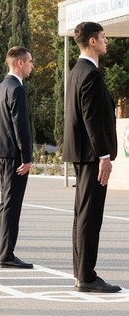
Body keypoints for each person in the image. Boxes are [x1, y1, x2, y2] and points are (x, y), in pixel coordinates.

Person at [63, 21, 120, 293]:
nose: (107, 41)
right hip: (92, 156)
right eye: (104, 37)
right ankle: (86, 276)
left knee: (82, 214)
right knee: (90, 216)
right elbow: (92, 120)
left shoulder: (77, 71)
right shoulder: (91, 74)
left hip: (82, 154)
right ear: (93, 42)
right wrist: (104, 156)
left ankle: (81, 273)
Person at [0, 47, 35, 269]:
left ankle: (3, 252)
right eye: (29, 62)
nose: (32, 66)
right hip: (13, 154)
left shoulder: (2, 86)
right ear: (19, 63)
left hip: (3, 151)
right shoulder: (15, 88)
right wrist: (27, 156)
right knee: (11, 204)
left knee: (7, 203)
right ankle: (6, 255)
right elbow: (20, 126)